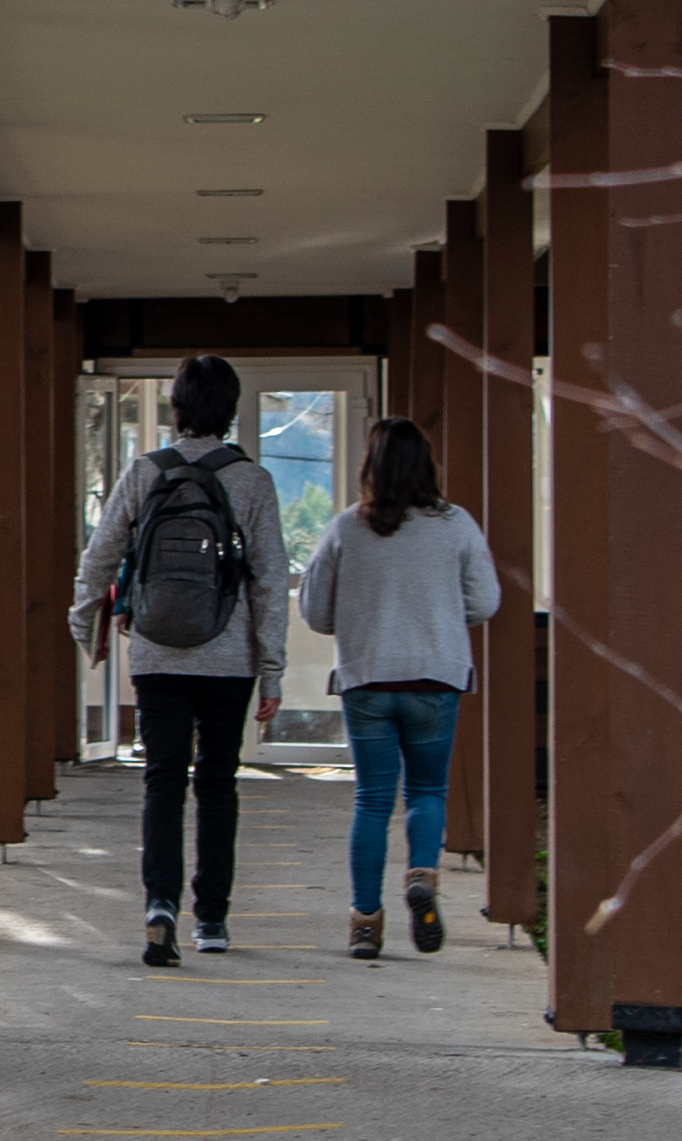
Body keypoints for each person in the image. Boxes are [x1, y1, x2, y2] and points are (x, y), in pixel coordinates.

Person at [76, 355, 287, 966]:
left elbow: (102, 550)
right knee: (218, 784)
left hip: (157, 652)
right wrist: (272, 668)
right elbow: (271, 581)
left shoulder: (146, 472)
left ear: (177, 409)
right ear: (231, 410)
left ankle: (159, 906)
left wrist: (82, 614)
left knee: (163, 782)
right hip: (228, 658)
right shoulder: (252, 482)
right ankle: (212, 920)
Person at [297, 414, 500, 957]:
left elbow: (315, 613)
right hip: (435, 679)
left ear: (371, 465)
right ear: (426, 467)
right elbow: (485, 603)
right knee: (428, 791)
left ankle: (365, 922)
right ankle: (422, 876)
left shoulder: (346, 528)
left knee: (371, 801)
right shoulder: (457, 525)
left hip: (367, 679)